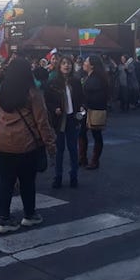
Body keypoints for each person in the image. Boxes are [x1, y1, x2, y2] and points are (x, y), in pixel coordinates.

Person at [0, 58, 56, 233]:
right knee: (27, 181)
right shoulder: (33, 94)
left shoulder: (1, 93)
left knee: (5, 181)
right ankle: (29, 215)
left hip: (0, 143)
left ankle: (3, 219)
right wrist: (50, 146)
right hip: (25, 144)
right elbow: (42, 123)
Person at [44, 55, 84, 188]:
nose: (67, 66)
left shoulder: (76, 82)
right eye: (64, 63)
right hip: (59, 120)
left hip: (73, 119)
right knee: (59, 150)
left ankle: (74, 176)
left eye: (69, 63)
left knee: (73, 149)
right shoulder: (53, 82)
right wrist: (54, 108)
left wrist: (81, 108)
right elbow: (47, 100)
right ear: (59, 66)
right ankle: (58, 177)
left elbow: (81, 98)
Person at [79, 55, 109, 170]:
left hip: (93, 110)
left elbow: (95, 97)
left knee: (95, 135)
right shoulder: (90, 77)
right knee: (82, 133)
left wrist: (84, 104)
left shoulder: (96, 79)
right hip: (87, 110)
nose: (84, 63)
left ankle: (94, 161)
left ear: (92, 65)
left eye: (86, 61)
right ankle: (83, 158)